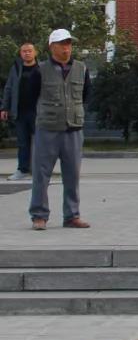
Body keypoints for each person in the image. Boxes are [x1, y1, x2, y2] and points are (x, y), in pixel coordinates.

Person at [28, 29, 91, 230]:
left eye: (69, 44)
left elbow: (86, 95)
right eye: (62, 44)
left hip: (73, 129)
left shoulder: (82, 68)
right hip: (47, 129)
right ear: (51, 47)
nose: (66, 48)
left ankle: (72, 216)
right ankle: (39, 215)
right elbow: (30, 98)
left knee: (72, 175)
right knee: (41, 174)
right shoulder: (40, 69)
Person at [1, 43, 41, 181]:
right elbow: (9, 88)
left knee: (39, 142)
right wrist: (4, 107)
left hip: (38, 112)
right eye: (24, 51)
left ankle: (38, 171)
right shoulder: (16, 68)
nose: (27, 53)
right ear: (20, 53)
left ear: (35, 52)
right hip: (20, 112)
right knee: (22, 142)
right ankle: (22, 170)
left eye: (30, 51)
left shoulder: (41, 68)